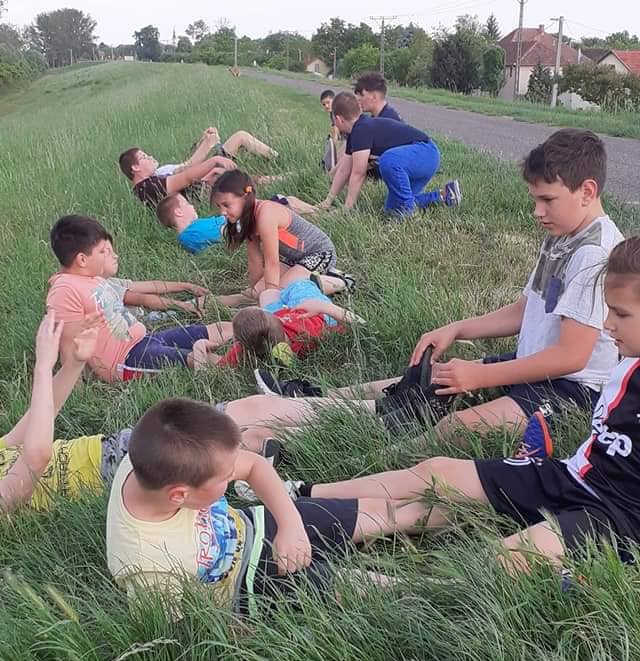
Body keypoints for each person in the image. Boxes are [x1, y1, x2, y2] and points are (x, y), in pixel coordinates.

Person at [209, 130, 623, 455]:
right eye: (535, 200)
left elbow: (572, 357)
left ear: (587, 192)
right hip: (531, 363)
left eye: (547, 200)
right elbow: (526, 308)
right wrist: (457, 329)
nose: (537, 211)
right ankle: (312, 401)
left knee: (452, 425)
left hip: (570, 388)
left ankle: (375, 450)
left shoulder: (594, 253)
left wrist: (481, 375)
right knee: (423, 379)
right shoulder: (563, 231)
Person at [271, 236, 640, 577]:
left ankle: (375, 587)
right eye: (608, 311)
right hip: (573, 476)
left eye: (620, 314)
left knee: (508, 559)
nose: (607, 325)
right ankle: (299, 492)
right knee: (437, 471)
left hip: (620, 516)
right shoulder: (628, 358)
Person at [106, 398, 432, 611]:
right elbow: (185, 635)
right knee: (351, 584)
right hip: (245, 588)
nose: (233, 475)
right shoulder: (146, 564)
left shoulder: (150, 458)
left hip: (253, 526)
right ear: (179, 495)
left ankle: (447, 511)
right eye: (225, 477)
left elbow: (254, 466)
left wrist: (290, 525)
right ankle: (441, 589)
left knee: (371, 514)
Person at [45, 215, 235, 381]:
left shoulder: (93, 278)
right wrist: (78, 393)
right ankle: (234, 363)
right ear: (82, 260)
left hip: (145, 339)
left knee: (221, 328)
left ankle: (249, 335)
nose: (109, 255)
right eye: (102, 251)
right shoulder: (64, 290)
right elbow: (68, 347)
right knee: (198, 358)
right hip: (126, 359)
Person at [0, 312, 134, 511]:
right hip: (113, 479)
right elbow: (37, 458)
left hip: (108, 446)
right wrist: (43, 366)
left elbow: (45, 411)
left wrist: (75, 362)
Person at [211, 169, 352, 296]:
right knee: (257, 294)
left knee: (283, 293)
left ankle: (341, 282)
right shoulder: (248, 219)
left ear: (245, 197)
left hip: (319, 253)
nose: (222, 212)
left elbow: (272, 263)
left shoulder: (266, 214)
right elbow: (255, 261)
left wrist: (270, 299)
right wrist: (256, 292)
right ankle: (206, 303)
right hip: (294, 259)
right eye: (219, 206)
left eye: (227, 205)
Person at [321, 92, 461, 217]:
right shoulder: (356, 133)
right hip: (417, 160)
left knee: (388, 160)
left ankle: (409, 211)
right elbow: (344, 170)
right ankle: (445, 195)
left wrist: (347, 208)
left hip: (425, 153)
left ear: (338, 119)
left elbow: (358, 173)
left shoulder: (362, 129)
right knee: (393, 209)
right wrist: (326, 202)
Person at [191, 276, 362, 369]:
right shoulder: (309, 333)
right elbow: (357, 326)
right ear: (278, 320)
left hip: (286, 313)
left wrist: (199, 347)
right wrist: (322, 307)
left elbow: (211, 368)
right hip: (313, 311)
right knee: (299, 284)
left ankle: (283, 294)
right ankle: (343, 281)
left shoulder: (245, 351)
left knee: (267, 294)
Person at [119, 123, 277, 211]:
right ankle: (276, 178)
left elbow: (185, 167)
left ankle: (275, 161)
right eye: (144, 157)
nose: (150, 157)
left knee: (238, 138)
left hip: (202, 184)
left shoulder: (154, 177)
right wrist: (213, 159)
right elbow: (186, 177)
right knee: (226, 173)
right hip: (202, 193)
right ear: (135, 168)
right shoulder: (146, 188)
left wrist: (203, 142)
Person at [155, 188, 320, 255]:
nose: (192, 206)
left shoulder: (192, 231)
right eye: (187, 204)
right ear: (178, 212)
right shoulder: (192, 232)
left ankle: (317, 212)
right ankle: (320, 213)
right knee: (282, 201)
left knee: (281, 204)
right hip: (245, 225)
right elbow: (225, 233)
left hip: (243, 224)